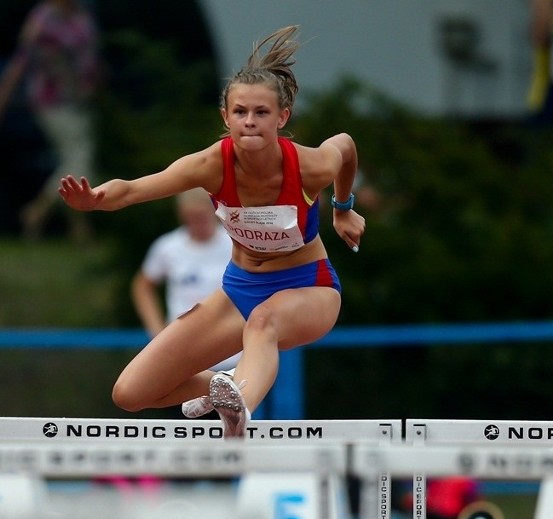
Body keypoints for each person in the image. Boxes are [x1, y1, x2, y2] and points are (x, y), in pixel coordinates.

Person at [58, 25, 365, 438]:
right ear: (226, 117)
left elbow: (344, 145)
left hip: (308, 286)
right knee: (131, 393)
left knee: (263, 322)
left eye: (261, 113)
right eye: (240, 112)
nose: (250, 122)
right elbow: (132, 190)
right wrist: (95, 199)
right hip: (239, 287)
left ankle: (239, 413)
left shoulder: (308, 166)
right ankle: (228, 388)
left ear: (282, 117)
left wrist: (342, 208)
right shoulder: (209, 166)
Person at [0, 0, 100, 241]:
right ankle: (37, 210)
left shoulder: (82, 14)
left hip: (82, 100)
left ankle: (79, 228)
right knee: (80, 159)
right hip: (52, 101)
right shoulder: (43, 19)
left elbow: (91, 56)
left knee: (74, 162)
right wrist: (3, 98)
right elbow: (21, 61)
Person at [131, 187, 240, 372]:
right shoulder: (168, 247)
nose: (198, 223)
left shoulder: (235, 243)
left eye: (202, 216)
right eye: (192, 217)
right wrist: (156, 330)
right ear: (182, 215)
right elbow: (142, 286)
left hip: (232, 351)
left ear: (214, 211)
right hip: (184, 353)